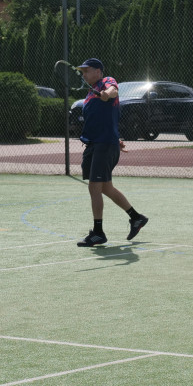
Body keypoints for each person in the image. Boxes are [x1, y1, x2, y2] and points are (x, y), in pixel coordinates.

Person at [74, 58, 148, 247]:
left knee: (94, 187)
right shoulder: (91, 94)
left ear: (98, 71)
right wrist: (116, 139)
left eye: (86, 71)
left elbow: (113, 90)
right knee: (105, 187)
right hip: (97, 144)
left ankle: (98, 233)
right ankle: (136, 217)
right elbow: (105, 119)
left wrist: (107, 94)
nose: (84, 75)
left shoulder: (105, 82)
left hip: (103, 146)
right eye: (82, 72)